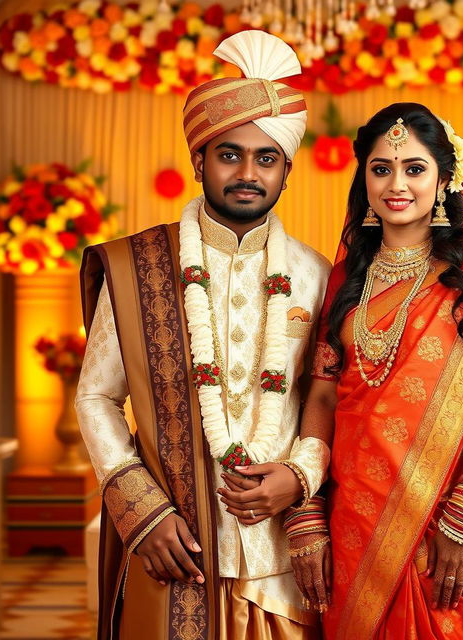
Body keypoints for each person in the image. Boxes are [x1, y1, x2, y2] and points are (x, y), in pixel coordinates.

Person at [75, 30, 331, 640]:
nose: (248, 172)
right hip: (176, 537)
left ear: (287, 171)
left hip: (278, 559)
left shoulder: (316, 274)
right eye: (229, 154)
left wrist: (300, 478)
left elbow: (330, 397)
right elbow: (96, 396)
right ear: (199, 161)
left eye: (266, 158)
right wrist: (141, 509)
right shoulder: (138, 267)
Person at [290, 103, 463, 639]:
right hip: (354, 520)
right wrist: (309, 508)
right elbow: (321, 397)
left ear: (443, 180)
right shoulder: (343, 282)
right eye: (381, 168)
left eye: (415, 168)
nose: (397, 183)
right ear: (363, 177)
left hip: (447, 518)